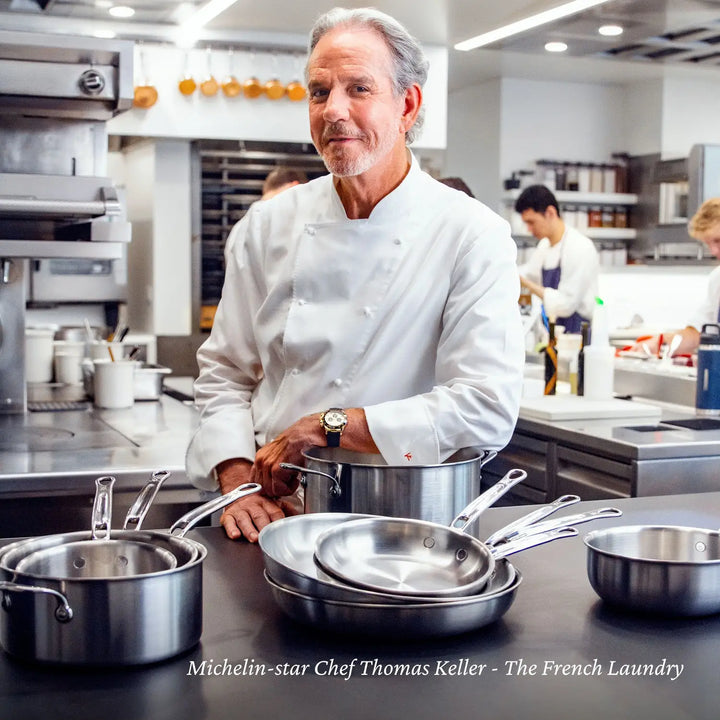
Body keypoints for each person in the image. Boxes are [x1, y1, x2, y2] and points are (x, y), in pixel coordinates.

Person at [186, 7, 525, 542]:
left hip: (409, 525)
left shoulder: (470, 233)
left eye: (359, 88)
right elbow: (226, 373)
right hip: (280, 518)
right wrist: (233, 475)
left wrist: (330, 425)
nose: (333, 110)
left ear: (407, 104)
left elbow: (485, 407)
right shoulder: (267, 224)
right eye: (319, 92)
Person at [631, 197, 720, 357]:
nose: (713, 251)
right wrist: (660, 342)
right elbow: (696, 334)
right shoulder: (717, 279)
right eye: (708, 244)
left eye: (718, 241)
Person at [515, 184, 599, 334]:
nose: (529, 229)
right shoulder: (544, 246)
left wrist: (525, 283)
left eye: (531, 222)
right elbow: (527, 275)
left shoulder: (579, 246)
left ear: (550, 213)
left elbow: (566, 305)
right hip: (554, 333)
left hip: (578, 335)